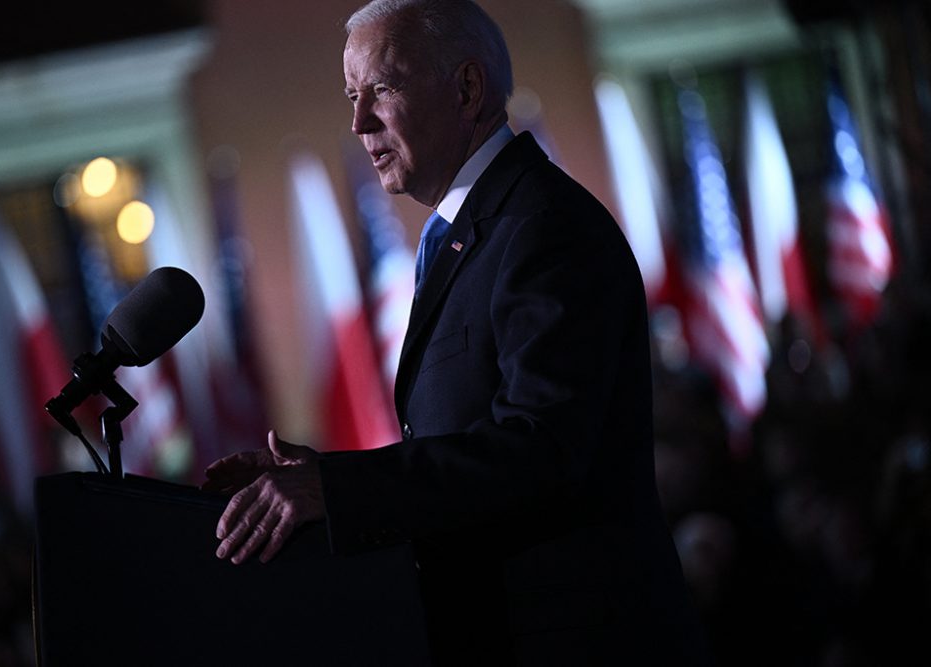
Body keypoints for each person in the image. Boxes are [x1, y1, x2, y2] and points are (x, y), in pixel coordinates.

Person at [203, 0, 708, 663]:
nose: (358, 123)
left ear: (467, 88)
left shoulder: (543, 227)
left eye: (381, 90)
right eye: (353, 97)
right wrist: (325, 479)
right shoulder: (470, 235)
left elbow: (539, 448)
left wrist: (341, 491)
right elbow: (464, 442)